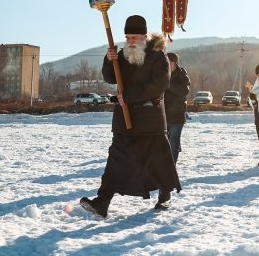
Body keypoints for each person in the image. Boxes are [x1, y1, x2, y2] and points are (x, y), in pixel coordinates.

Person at [80, 15, 181, 218]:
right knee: (116, 160)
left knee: (158, 161)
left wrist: (129, 97)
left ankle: (165, 195)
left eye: (134, 37)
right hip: (124, 120)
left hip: (150, 120)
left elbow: (159, 85)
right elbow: (110, 77)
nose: (130, 41)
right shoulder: (122, 55)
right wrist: (108, 61)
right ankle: (102, 202)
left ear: (144, 36)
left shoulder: (158, 56)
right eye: (127, 37)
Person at [164, 52, 191, 164]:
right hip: (163, 114)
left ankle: (172, 167)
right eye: (166, 63)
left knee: (173, 141)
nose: (168, 66)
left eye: (170, 63)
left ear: (176, 63)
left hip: (177, 114)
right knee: (165, 141)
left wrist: (168, 82)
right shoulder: (161, 75)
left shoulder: (182, 75)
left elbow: (184, 91)